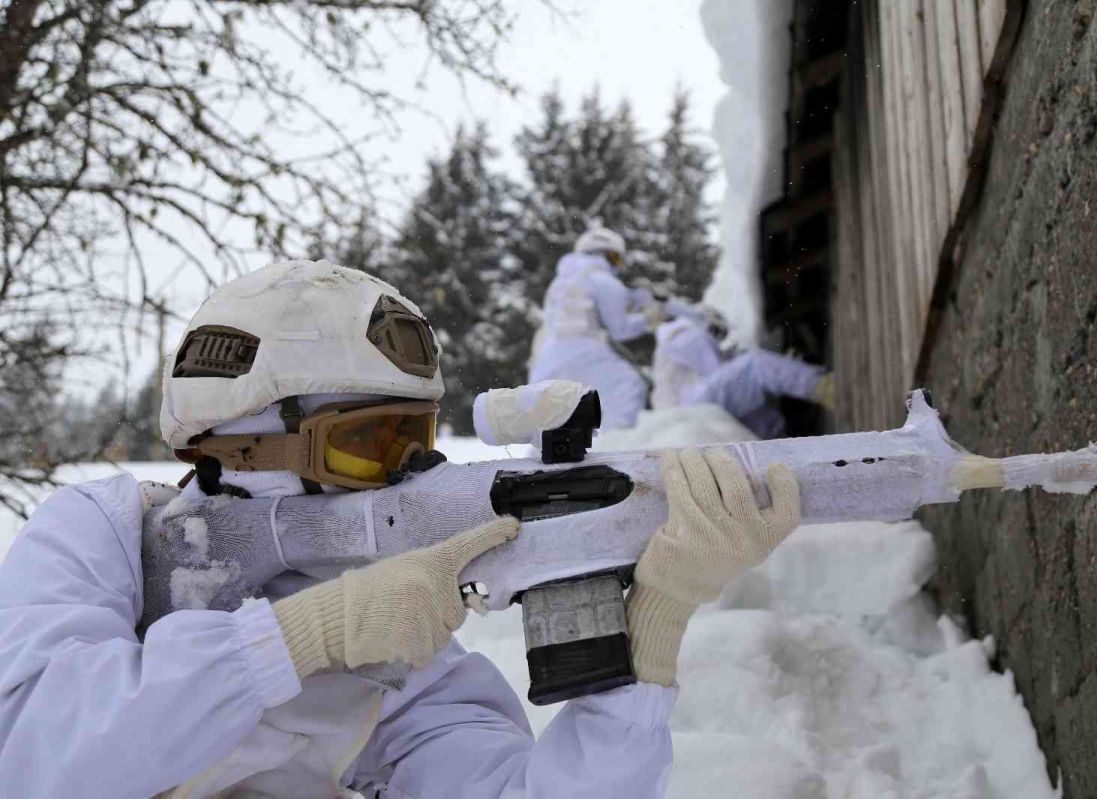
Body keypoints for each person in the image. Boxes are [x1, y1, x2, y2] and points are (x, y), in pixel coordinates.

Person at [0, 259, 802, 798]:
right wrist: (298, 637)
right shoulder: (100, 533)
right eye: (366, 445)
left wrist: (643, 652)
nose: (397, 476)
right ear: (237, 446)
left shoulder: (401, 658)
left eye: (414, 443)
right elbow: (34, 758)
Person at [530, 227, 676, 430]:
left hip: (546, 359)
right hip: (583, 352)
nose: (616, 266)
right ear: (607, 255)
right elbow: (620, 329)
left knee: (556, 421)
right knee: (629, 386)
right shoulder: (604, 280)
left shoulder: (559, 283)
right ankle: (616, 447)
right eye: (616, 258)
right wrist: (650, 319)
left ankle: (540, 458)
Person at [651, 312, 833, 439]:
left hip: (690, 413)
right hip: (697, 404)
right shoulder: (681, 334)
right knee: (754, 367)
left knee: (751, 411)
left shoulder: (667, 348)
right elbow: (712, 367)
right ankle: (826, 388)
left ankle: (789, 442)